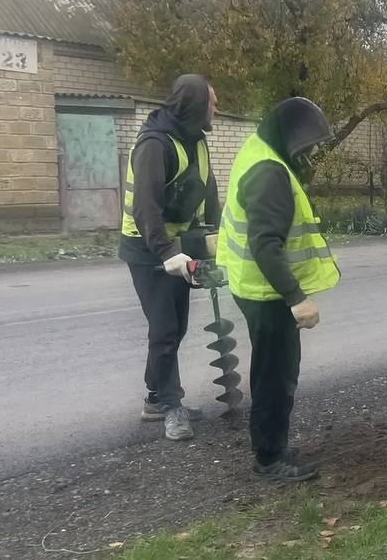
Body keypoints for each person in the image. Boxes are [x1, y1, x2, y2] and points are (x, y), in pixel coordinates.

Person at [216, 98, 340, 483]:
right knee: (274, 377)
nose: (312, 151)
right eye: (309, 144)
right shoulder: (270, 171)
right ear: (292, 136)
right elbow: (266, 243)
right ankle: (269, 458)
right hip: (267, 294)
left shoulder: (261, 151)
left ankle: (274, 445)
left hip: (256, 287)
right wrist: (296, 298)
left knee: (274, 373)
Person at [119, 74, 220, 442]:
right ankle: (171, 407)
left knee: (175, 328)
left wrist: (214, 238)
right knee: (163, 329)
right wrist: (168, 254)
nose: (216, 108)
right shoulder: (154, 145)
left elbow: (209, 191)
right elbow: (146, 210)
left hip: (179, 245)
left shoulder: (198, 141)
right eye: (212, 102)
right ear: (194, 105)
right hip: (147, 249)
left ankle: (154, 397)